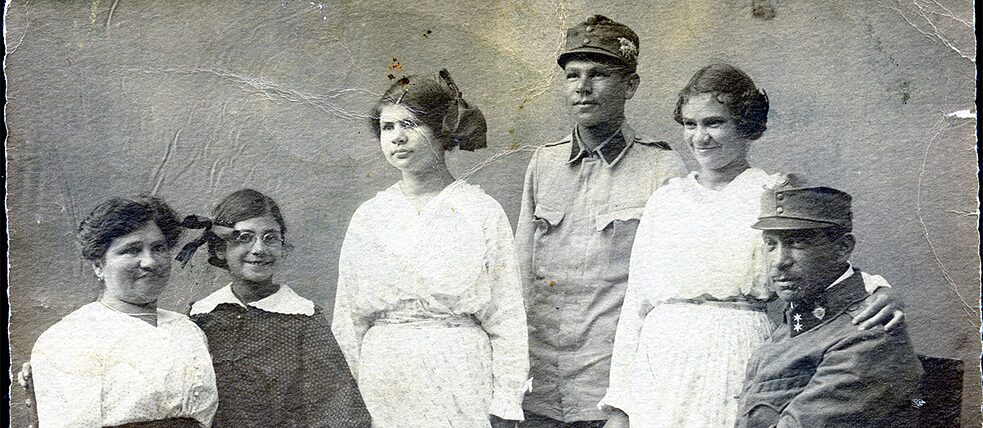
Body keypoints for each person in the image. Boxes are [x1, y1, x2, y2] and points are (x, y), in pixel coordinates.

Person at [600, 64, 905, 427]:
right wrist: (619, 405)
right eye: (690, 124)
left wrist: (878, 289)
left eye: (714, 123)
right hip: (660, 356)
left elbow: (823, 262)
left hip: (735, 351)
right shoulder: (666, 199)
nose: (700, 137)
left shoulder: (772, 192)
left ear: (746, 124)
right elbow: (636, 303)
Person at [516, 15, 690, 426]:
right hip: (537, 390)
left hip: (609, 392)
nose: (582, 86)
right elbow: (517, 276)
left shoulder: (663, 170)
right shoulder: (544, 163)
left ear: (630, 86)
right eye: (572, 75)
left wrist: (627, 403)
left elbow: (667, 300)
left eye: (598, 74)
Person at [332, 69, 529, 428]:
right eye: (388, 127)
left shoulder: (480, 211)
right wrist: (349, 403)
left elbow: (507, 316)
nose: (397, 137)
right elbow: (348, 320)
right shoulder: (369, 216)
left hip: (459, 376)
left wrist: (506, 401)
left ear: (441, 130)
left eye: (410, 124)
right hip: (385, 379)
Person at [735, 184, 923, 427]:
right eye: (771, 244)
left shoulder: (866, 334)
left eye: (797, 243)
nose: (779, 261)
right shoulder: (799, 317)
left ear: (843, 248)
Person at [179, 189, 370, 427]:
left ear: (282, 246)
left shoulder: (303, 320)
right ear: (220, 248)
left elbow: (338, 409)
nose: (259, 249)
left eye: (270, 238)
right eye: (244, 238)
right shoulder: (202, 316)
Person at [30, 196, 218, 427]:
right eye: (132, 250)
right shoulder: (70, 337)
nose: (150, 262)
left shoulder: (187, 329)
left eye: (158, 248)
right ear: (99, 265)